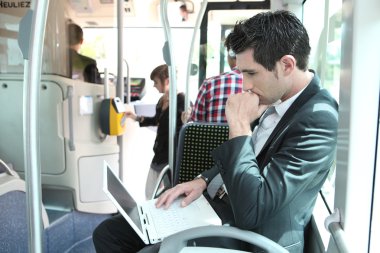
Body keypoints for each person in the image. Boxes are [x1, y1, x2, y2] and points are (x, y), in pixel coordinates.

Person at [93, 10, 338, 253]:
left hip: (252, 235)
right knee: (110, 233)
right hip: (221, 206)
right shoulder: (277, 95)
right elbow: (255, 153)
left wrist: (240, 125)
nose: (245, 85)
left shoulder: (318, 118)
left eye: (251, 73)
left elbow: (254, 209)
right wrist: (203, 180)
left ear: (286, 65)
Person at [124, 64, 185, 200]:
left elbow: (184, 129)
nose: (154, 86)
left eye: (156, 82)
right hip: (159, 153)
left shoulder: (182, 101)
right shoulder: (162, 101)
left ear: (167, 81)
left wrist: (186, 121)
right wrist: (134, 117)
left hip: (171, 156)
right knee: (150, 192)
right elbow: (157, 121)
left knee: (164, 194)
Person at [189, 51, 243, 123]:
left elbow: (195, 128)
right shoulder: (258, 86)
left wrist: (186, 120)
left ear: (231, 53)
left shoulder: (208, 85)